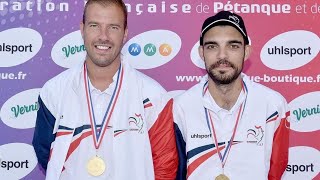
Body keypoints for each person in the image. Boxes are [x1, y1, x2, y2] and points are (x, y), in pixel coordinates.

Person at [32, 0, 178, 179]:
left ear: (125, 33)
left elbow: (165, 165)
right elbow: (47, 154)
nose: (103, 36)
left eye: (113, 27)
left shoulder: (154, 96)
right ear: (82, 28)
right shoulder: (53, 91)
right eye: (95, 26)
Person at [167, 11, 290, 180]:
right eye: (212, 46)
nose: (222, 56)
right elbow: (175, 172)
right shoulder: (180, 107)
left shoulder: (273, 105)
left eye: (233, 46)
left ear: (246, 52)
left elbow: (276, 171)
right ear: (201, 53)